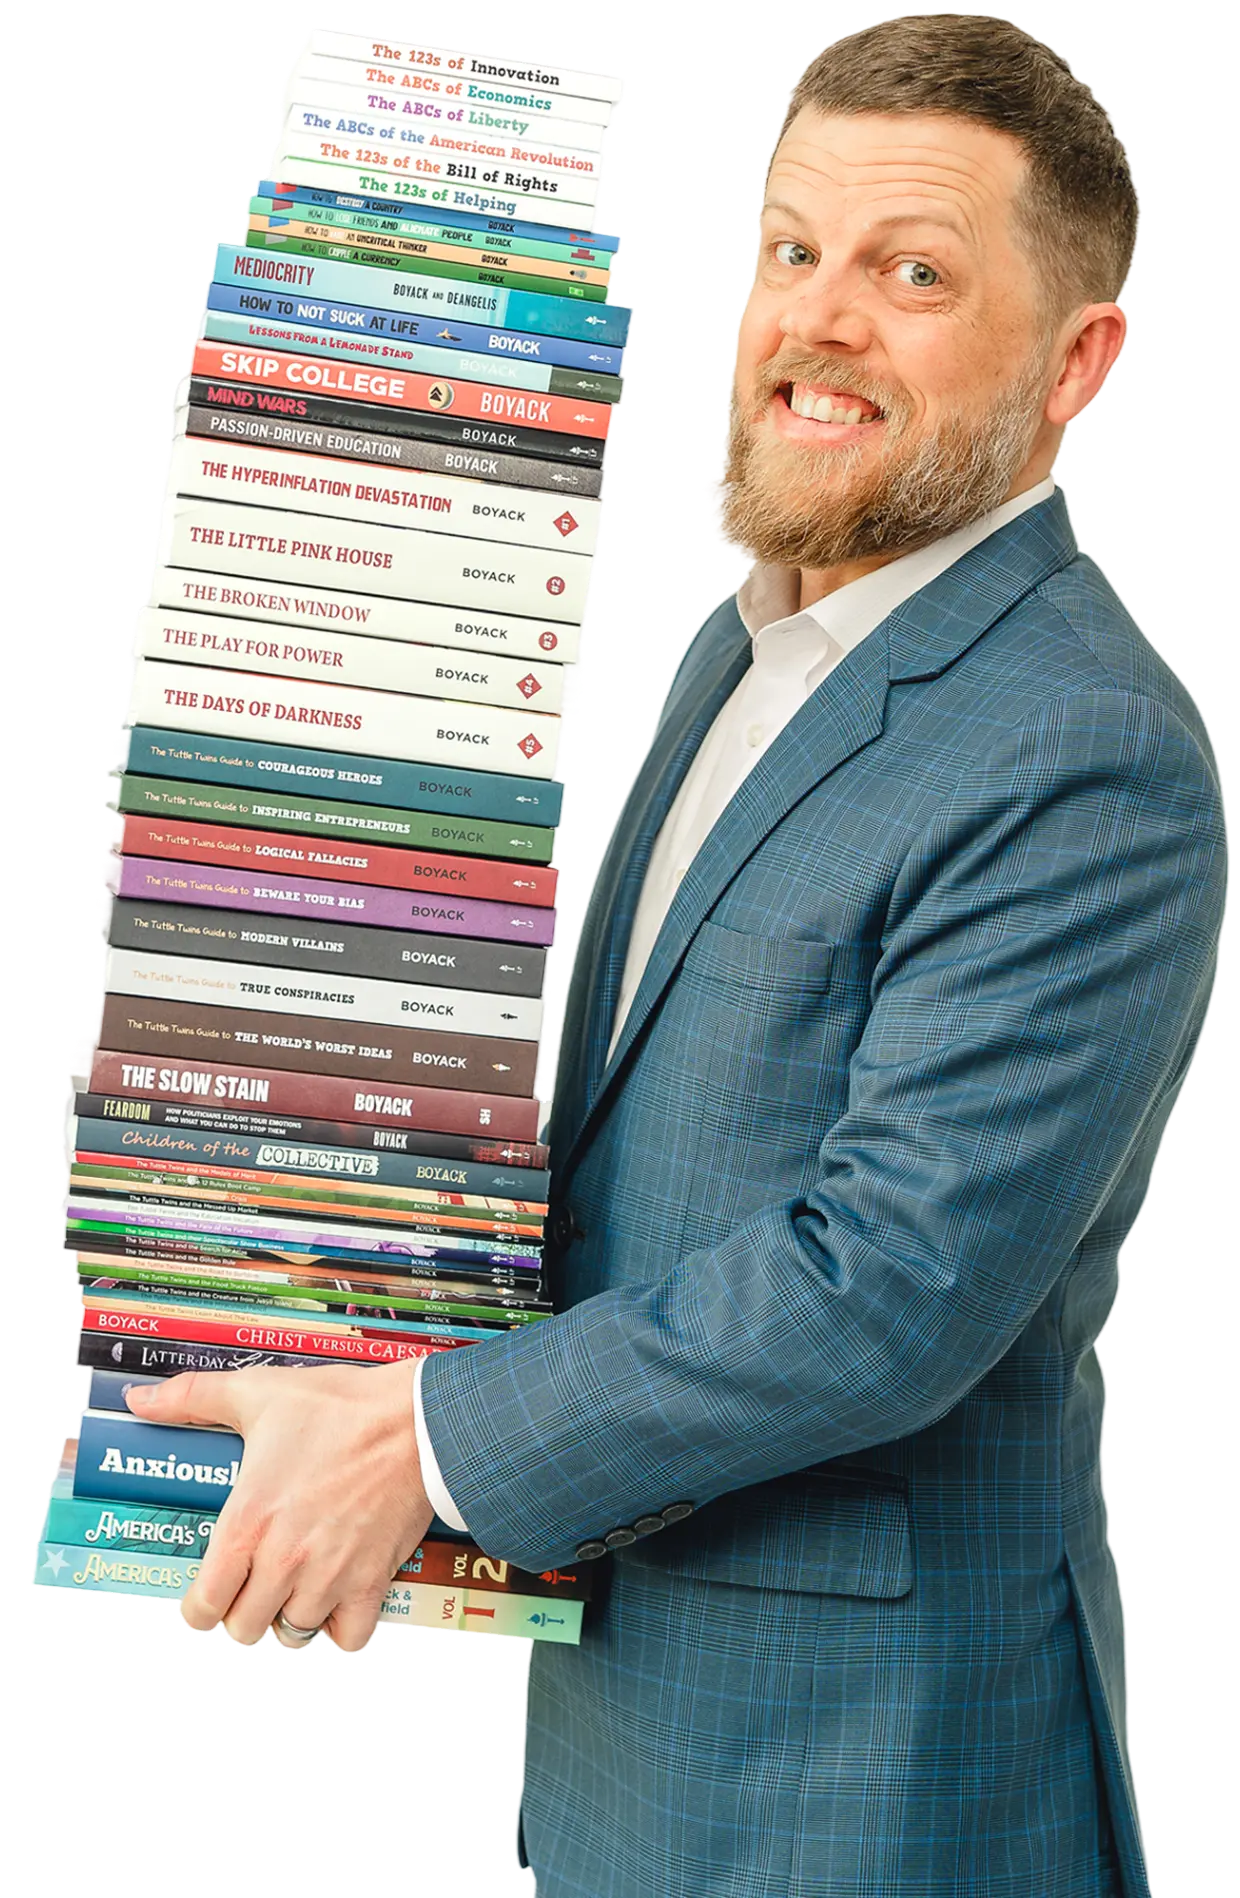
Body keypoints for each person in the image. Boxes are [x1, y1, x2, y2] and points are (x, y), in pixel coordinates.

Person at [128, 16, 1225, 1897]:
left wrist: (420, 1440)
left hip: (872, 1770)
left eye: (914, 272)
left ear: (1079, 364)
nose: (820, 318)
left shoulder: (1087, 747)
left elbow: (886, 1284)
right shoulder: (746, 641)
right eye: (791, 251)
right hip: (633, 1693)